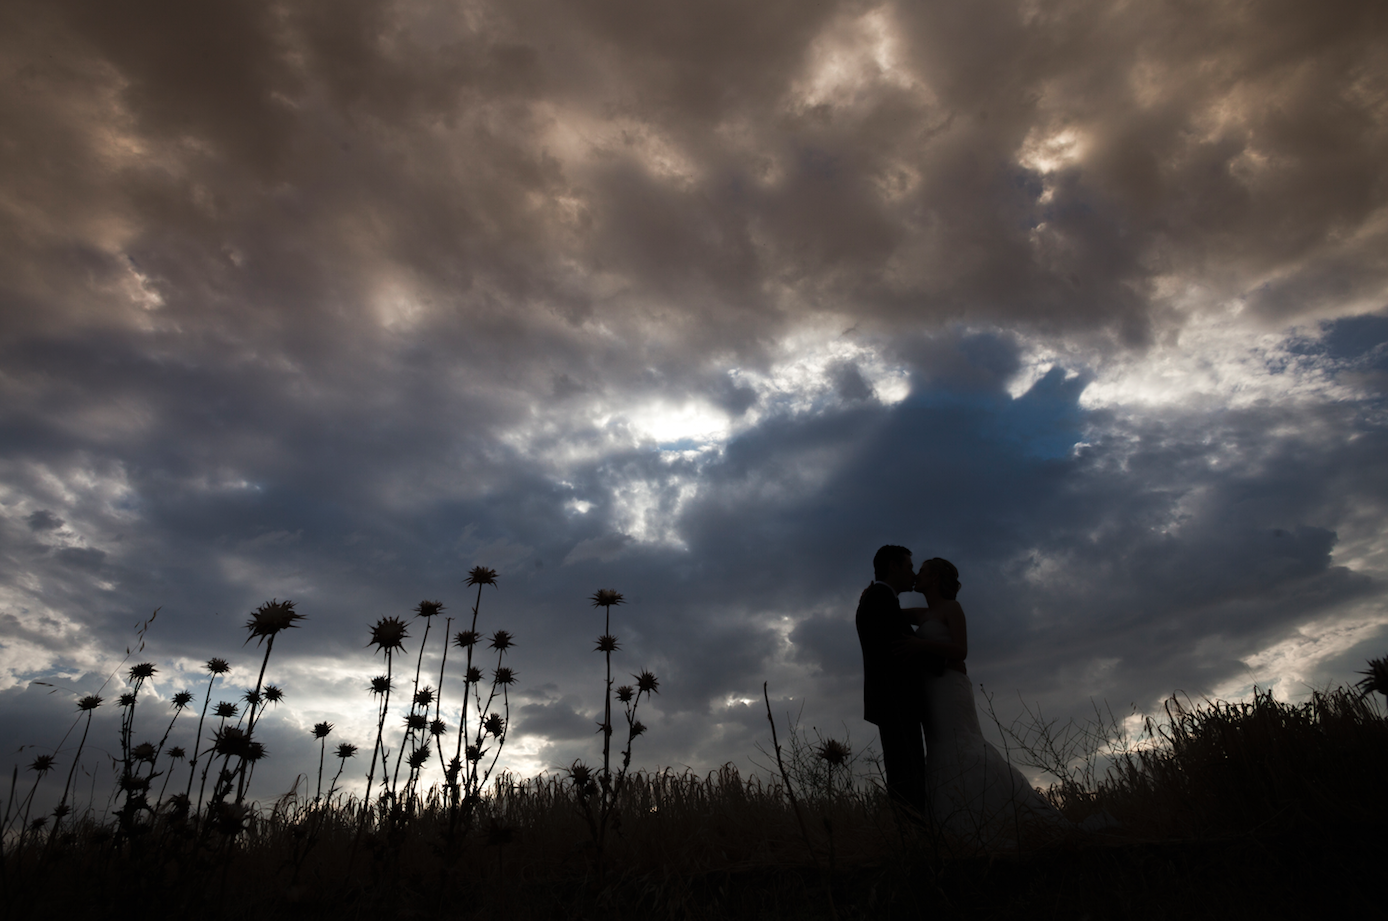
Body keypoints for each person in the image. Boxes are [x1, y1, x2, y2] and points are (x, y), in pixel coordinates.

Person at [908, 557, 1067, 848]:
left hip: (950, 689)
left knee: (961, 745)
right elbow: (889, 614)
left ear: (935, 578)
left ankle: (998, 821)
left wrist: (919, 645)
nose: (916, 575)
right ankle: (957, 827)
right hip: (930, 691)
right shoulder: (923, 614)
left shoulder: (951, 609)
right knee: (940, 749)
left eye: (921, 571)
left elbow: (960, 649)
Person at [855, 545, 961, 818]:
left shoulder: (882, 600)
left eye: (919, 571)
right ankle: (913, 835)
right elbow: (900, 646)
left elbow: (902, 639)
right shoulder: (880, 598)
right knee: (906, 773)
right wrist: (946, 665)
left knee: (907, 771)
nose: (913, 574)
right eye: (910, 567)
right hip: (896, 700)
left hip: (897, 700)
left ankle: (914, 833)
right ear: (894, 566)